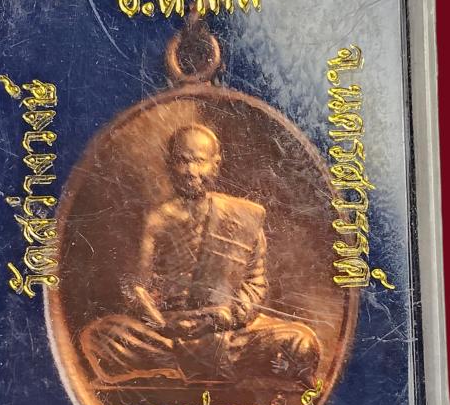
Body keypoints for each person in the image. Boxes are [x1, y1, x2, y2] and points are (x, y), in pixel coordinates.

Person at [80, 123, 320, 387]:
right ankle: (183, 367)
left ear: (215, 165)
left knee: (300, 342)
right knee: (100, 337)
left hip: (229, 332)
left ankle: (176, 370)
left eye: (199, 161)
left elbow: (256, 283)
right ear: (170, 164)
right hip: (169, 333)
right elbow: (139, 287)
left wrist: (222, 318)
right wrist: (160, 322)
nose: (191, 172)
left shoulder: (244, 216)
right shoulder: (158, 219)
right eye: (183, 161)